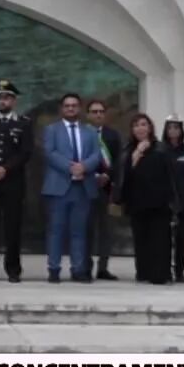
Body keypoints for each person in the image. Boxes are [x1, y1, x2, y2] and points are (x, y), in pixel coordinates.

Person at [41, 93, 102, 283]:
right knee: (56, 230)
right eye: (67, 106)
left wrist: (84, 167)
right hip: (59, 187)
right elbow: (50, 153)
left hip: (82, 187)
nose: (70, 109)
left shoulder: (90, 131)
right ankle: (54, 268)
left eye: (74, 105)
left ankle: (78, 269)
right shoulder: (52, 130)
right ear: (62, 109)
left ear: (80, 108)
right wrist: (71, 167)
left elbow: (96, 154)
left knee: (79, 230)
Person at [0, 79, 33, 283]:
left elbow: (26, 152)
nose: (3, 101)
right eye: (0, 97)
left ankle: (13, 269)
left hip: (13, 182)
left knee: (12, 227)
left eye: (7, 97)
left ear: (14, 101)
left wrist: (6, 169)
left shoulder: (23, 123)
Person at [113, 113, 175, 285]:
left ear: (150, 128)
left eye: (143, 124)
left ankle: (161, 274)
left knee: (160, 239)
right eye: (136, 125)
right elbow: (124, 175)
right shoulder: (128, 150)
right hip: (136, 201)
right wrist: (137, 154)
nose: (140, 128)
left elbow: (169, 175)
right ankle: (143, 272)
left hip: (159, 202)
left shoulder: (161, 148)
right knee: (141, 239)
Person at [85, 100, 123, 280]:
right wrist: (92, 176)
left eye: (101, 111)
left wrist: (109, 175)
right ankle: (85, 266)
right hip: (85, 187)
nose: (98, 114)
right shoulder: (81, 134)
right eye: (94, 112)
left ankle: (103, 268)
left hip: (107, 189)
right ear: (88, 115)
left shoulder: (112, 135)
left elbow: (119, 161)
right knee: (87, 229)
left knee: (106, 230)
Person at [163, 116, 184, 283]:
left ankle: (179, 270)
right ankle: (164, 269)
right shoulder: (161, 150)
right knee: (164, 237)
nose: (173, 131)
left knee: (180, 236)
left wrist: (181, 199)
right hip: (165, 201)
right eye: (170, 128)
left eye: (176, 127)